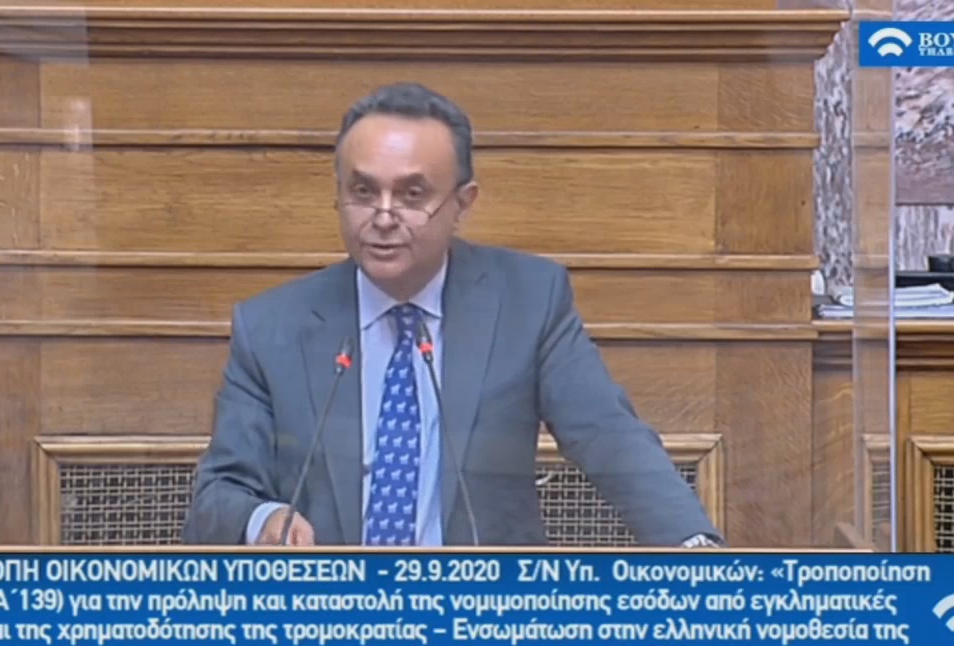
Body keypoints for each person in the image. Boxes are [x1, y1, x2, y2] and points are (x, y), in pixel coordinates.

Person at [182, 82, 723, 548]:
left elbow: (609, 437)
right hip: (330, 617)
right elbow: (217, 495)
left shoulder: (527, 302)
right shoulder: (273, 327)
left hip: (483, 616)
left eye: (412, 194)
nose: (383, 217)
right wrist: (262, 518)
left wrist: (693, 548)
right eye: (363, 192)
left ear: (464, 202)